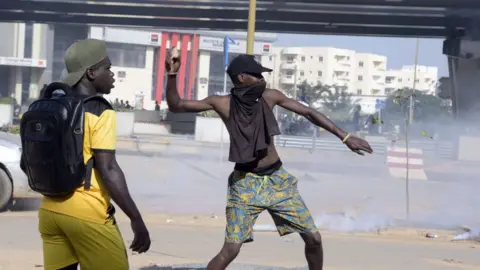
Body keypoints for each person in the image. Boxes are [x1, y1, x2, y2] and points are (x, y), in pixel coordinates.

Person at [165, 51, 373, 270]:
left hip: (278, 181)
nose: (262, 79)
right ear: (241, 77)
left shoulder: (270, 96)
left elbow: (308, 112)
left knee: (314, 239)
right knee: (231, 250)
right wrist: (172, 74)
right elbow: (176, 105)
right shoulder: (222, 103)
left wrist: (345, 137)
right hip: (245, 184)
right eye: (257, 74)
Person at [38, 39, 150, 270]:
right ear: (90, 72)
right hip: (87, 213)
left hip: (50, 211)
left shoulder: (53, 105)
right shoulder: (100, 109)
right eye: (107, 68)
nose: (112, 74)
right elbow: (108, 169)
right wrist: (136, 219)